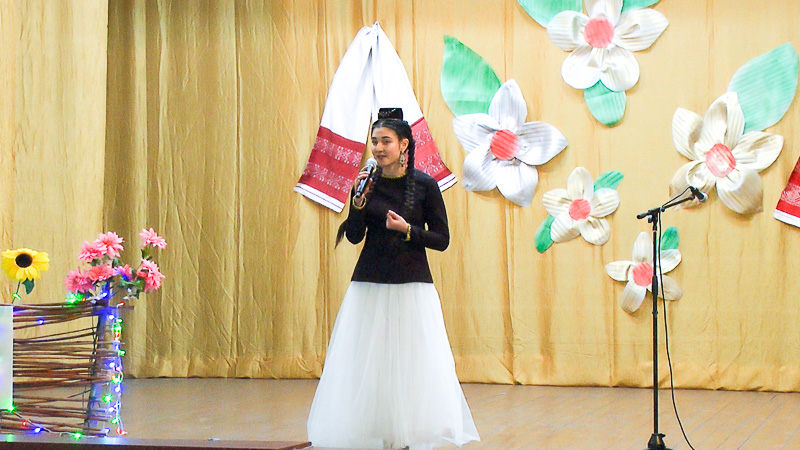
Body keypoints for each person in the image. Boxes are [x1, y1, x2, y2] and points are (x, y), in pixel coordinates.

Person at [307, 108, 480, 450]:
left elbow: (442, 239)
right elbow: (354, 236)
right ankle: (380, 432)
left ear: (404, 145)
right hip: (370, 283)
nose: (378, 148)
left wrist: (408, 230)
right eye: (374, 141)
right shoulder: (367, 183)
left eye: (385, 141)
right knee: (370, 363)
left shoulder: (425, 185)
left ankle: (407, 434)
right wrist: (357, 203)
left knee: (411, 362)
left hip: (411, 284)